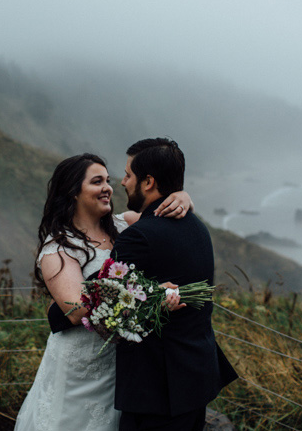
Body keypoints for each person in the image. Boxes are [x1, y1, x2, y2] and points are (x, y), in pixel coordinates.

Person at [14, 153, 192, 431]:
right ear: (73, 192)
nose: (108, 187)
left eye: (108, 180)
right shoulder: (58, 248)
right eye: (97, 181)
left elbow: (161, 214)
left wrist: (182, 197)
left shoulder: (125, 225)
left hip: (118, 363)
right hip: (78, 368)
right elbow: (77, 311)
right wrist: (151, 294)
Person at [110, 138, 237, 430]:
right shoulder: (198, 228)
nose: (122, 182)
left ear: (148, 182)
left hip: (155, 390)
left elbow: (110, 301)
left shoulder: (138, 236)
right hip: (195, 379)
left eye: (129, 175)